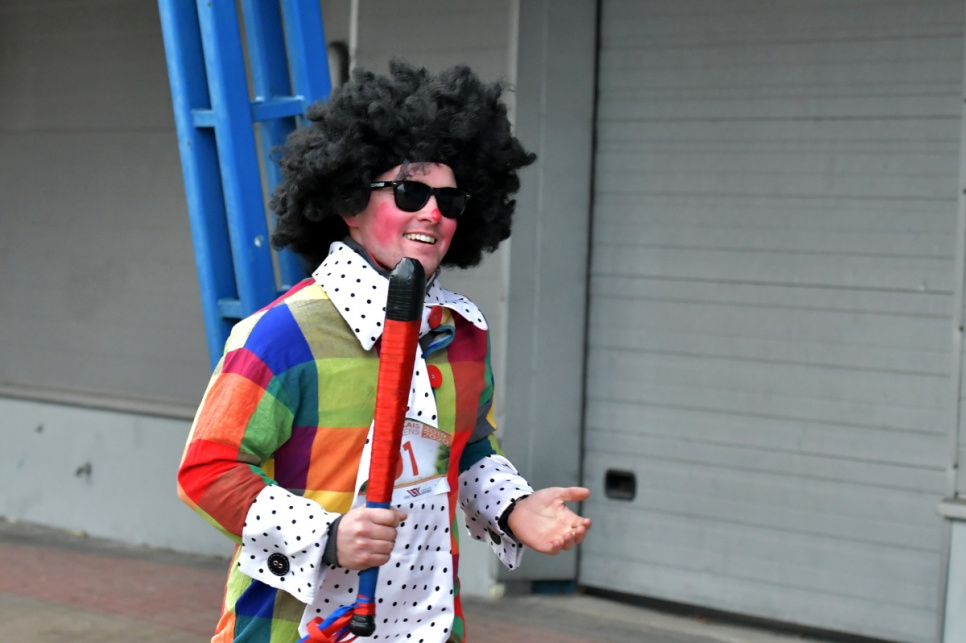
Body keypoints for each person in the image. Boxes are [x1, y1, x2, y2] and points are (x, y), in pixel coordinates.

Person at [177, 59, 592, 643]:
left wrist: (513, 508)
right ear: (349, 201)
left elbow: (468, 451)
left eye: (450, 200)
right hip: (294, 630)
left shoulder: (463, 334)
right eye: (410, 191)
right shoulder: (283, 333)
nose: (432, 212)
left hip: (427, 626)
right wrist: (326, 536)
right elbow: (208, 469)